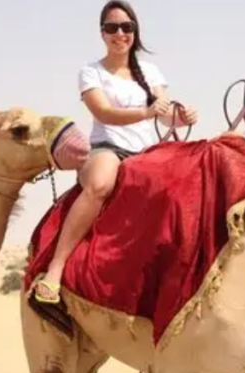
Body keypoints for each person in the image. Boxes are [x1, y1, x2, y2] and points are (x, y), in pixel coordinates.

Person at [33, 0, 198, 305]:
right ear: (102, 33)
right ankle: (55, 270)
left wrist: (182, 116)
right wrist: (147, 112)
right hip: (107, 148)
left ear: (135, 32)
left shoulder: (150, 71)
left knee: (183, 190)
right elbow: (105, 113)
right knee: (100, 185)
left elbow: (164, 114)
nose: (119, 33)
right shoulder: (91, 72)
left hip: (146, 153)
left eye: (126, 27)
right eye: (112, 27)